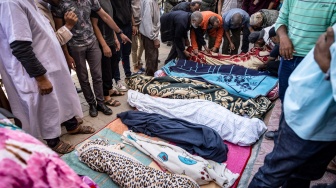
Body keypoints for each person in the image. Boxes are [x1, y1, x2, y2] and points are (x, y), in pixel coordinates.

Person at [0, 0, 96, 154]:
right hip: (37, 72)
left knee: (64, 98)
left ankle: (72, 126)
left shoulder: (33, 3)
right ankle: (53, 141)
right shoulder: (11, 3)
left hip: (52, 67)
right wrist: (40, 77)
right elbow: (20, 46)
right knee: (48, 107)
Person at [248, 24, 336, 188]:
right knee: (295, 173)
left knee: (275, 173)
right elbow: (282, 21)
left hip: (313, 118)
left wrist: (324, 64)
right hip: (309, 112)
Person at [264, 0, 336, 140]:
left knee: (310, 102)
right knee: (286, 96)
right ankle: (283, 132)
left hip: (314, 61)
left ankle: (303, 138)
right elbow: (281, 20)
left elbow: (332, 34)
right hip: (288, 57)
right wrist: (283, 37)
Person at [52, 0, 131, 117]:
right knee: (83, 78)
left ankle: (100, 102)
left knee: (97, 75)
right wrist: (67, 55)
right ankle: (91, 104)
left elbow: (105, 16)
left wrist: (119, 32)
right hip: (75, 46)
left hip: (92, 43)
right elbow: (59, 32)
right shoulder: (61, 4)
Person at [35, 0, 83, 94]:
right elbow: (50, 43)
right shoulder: (38, 11)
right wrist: (68, 25)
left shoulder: (47, 6)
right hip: (48, 68)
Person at [91, 0, 123, 108]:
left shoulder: (108, 1)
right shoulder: (96, 3)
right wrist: (104, 45)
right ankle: (106, 97)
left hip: (111, 39)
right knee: (105, 70)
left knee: (113, 66)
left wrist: (115, 39)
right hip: (102, 42)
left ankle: (110, 90)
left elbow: (110, 20)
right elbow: (94, 25)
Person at [110, 0, 140, 92]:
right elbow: (109, 16)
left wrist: (134, 24)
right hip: (117, 27)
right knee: (117, 55)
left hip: (128, 26)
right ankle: (118, 80)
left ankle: (128, 76)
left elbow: (130, 10)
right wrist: (116, 32)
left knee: (126, 54)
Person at [139, 0, 161, 76]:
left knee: (153, 57)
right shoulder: (149, 2)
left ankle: (152, 75)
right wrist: (154, 38)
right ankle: (150, 77)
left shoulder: (154, 2)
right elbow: (147, 22)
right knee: (151, 58)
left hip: (152, 34)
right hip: (149, 35)